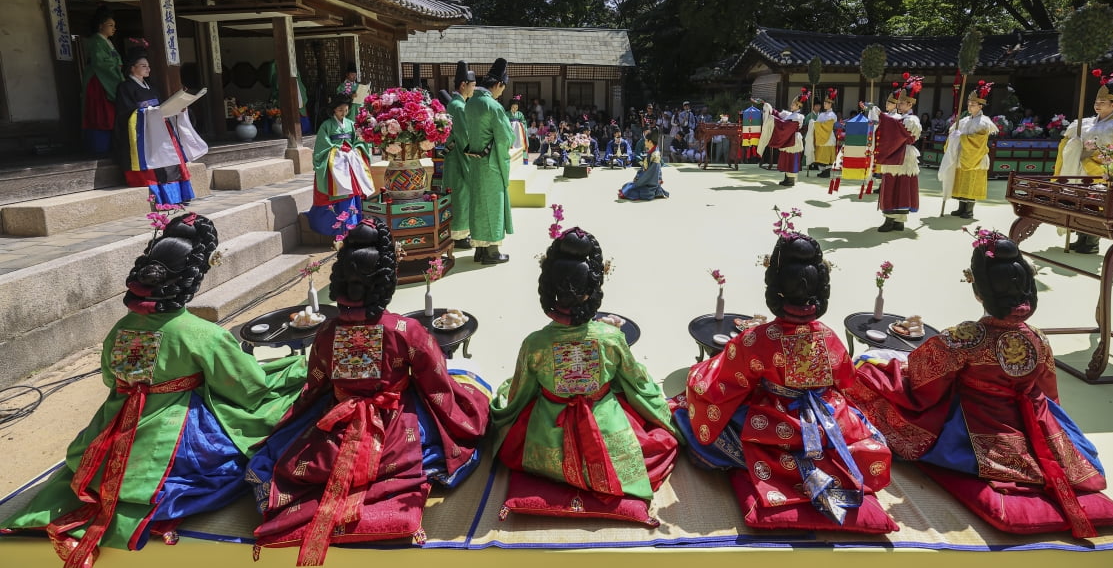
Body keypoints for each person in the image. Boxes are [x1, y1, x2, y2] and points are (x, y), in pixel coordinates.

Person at [1, 214, 308, 567]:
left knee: (90, 470)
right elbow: (243, 385)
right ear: (190, 278)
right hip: (176, 429)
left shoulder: (122, 327)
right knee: (237, 457)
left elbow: (109, 378)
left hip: (116, 424)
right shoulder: (199, 332)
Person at [848, 230, 1113, 538]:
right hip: (1034, 422)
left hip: (975, 429)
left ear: (979, 289)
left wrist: (883, 366)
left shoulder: (967, 337)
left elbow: (921, 382)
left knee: (865, 374)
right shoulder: (1037, 337)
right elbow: (1049, 393)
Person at [247, 219, 490, 565]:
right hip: (395, 427)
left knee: (294, 449)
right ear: (385, 282)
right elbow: (436, 385)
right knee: (459, 411)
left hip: (338, 420)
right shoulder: (407, 330)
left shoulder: (327, 333)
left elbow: (315, 385)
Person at [672, 230, 895, 532]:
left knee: (695, 407)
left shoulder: (757, 339)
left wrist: (699, 373)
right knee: (855, 423)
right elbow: (845, 379)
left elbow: (725, 380)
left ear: (775, 289)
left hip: (775, 422)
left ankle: (779, 474)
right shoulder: (828, 336)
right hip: (824, 421)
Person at [491, 224, 680, 523]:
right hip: (605, 427)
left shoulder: (535, 343)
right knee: (656, 432)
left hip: (548, 432)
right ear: (592, 290)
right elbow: (639, 383)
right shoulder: (610, 338)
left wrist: (503, 403)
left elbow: (519, 394)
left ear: (548, 288)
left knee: (508, 404)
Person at [1054, 71, 1113, 254]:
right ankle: (1080, 237)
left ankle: (1091, 241)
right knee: (1078, 203)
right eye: (1096, 102)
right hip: (1078, 169)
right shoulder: (1084, 123)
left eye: (1103, 102)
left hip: (1098, 172)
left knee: (1094, 205)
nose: (1097, 105)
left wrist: (1090, 157)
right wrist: (1074, 147)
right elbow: (1065, 144)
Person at [114, 44, 199, 205]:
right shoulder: (125, 88)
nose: (148, 69)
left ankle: (178, 196)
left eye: (148, 66)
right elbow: (125, 113)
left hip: (159, 128)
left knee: (172, 160)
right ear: (132, 68)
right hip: (143, 133)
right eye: (143, 66)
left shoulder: (151, 87)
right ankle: (163, 198)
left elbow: (162, 107)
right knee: (156, 164)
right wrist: (147, 112)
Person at [464, 58, 516, 264]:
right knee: (493, 204)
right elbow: (505, 137)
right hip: (491, 163)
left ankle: (479, 249)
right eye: (502, 89)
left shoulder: (471, 104)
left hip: (475, 162)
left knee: (478, 204)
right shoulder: (492, 106)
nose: (502, 93)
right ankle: (492, 251)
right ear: (497, 84)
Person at [309, 94, 375, 236]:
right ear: (333, 110)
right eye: (340, 110)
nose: (343, 113)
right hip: (334, 164)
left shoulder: (351, 124)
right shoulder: (326, 125)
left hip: (349, 162)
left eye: (346, 110)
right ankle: (334, 229)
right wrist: (336, 150)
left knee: (350, 193)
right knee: (336, 193)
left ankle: (352, 225)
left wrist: (355, 149)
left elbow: (359, 142)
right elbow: (322, 147)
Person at [869, 76, 923, 232]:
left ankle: (896, 220)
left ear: (910, 104)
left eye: (901, 103)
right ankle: (893, 219)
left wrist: (881, 116)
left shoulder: (912, 119)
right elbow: (891, 128)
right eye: (898, 103)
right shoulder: (899, 118)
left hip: (904, 155)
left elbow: (901, 132)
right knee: (892, 185)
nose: (898, 105)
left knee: (900, 186)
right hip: (894, 153)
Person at [939, 81, 999, 220]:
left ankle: (969, 210)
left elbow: (978, 140)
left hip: (975, 157)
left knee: (971, 182)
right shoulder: (964, 120)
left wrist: (963, 137)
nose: (970, 107)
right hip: (962, 155)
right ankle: (961, 207)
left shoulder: (984, 122)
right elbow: (953, 132)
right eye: (969, 104)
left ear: (980, 106)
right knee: (961, 181)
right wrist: (953, 136)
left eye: (973, 105)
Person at [442, 61, 475, 248]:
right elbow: (464, 137)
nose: (474, 88)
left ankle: (455, 232)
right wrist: (471, 162)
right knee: (461, 195)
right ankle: (460, 235)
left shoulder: (454, 104)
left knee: (455, 195)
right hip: (459, 158)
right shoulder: (460, 106)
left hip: (452, 156)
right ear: (463, 85)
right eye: (472, 85)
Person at [81, 5, 123, 154]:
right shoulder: (96, 41)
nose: (113, 28)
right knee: (100, 113)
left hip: (108, 79)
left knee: (110, 113)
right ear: (100, 26)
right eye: (110, 25)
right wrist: (117, 65)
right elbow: (99, 62)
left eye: (114, 26)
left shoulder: (107, 41)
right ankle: (100, 148)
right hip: (99, 81)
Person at [758, 93, 806, 186]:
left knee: (791, 159)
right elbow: (780, 117)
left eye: (793, 104)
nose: (791, 106)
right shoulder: (791, 115)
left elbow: (784, 125)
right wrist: (769, 108)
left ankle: (790, 179)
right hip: (789, 139)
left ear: (798, 106)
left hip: (793, 140)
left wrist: (773, 119)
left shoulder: (797, 117)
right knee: (787, 158)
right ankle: (787, 178)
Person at [619, 134, 669, 200]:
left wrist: (639, 180)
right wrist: (637, 176)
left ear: (650, 142)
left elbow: (651, 172)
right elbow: (644, 167)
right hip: (646, 177)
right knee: (627, 186)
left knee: (631, 189)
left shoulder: (655, 155)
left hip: (650, 181)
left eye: (645, 141)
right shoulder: (651, 151)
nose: (644, 142)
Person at [806, 90, 838, 178]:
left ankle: (827, 171)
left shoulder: (832, 115)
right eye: (824, 103)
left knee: (827, 154)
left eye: (826, 103)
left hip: (828, 137)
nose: (824, 104)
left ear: (830, 104)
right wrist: (813, 123)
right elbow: (818, 125)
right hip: (821, 136)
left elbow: (827, 126)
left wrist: (815, 123)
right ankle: (822, 171)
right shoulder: (822, 114)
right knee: (820, 153)